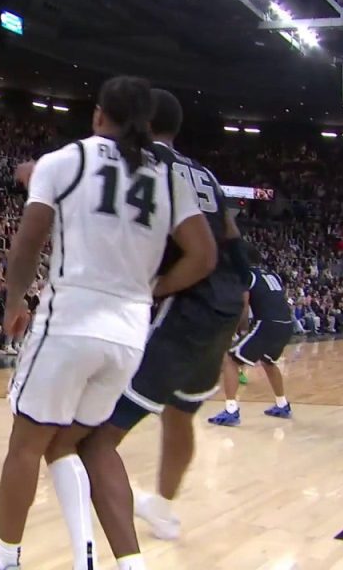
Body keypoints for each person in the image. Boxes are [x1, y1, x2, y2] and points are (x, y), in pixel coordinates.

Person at [0, 76, 217, 570]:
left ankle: (5, 558)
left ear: (98, 115)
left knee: (27, 443)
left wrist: (13, 299)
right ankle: (122, 564)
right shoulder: (167, 179)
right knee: (87, 443)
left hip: (70, 322)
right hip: (128, 336)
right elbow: (203, 256)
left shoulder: (67, 160)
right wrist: (153, 288)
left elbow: (30, 241)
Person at [77, 89, 250, 546]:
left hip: (183, 308)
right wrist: (243, 293)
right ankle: (164, 509)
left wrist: (150, 288)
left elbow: (195, 254)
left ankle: (101, 543)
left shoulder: (148, 163)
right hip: (222, 309)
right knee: (180, 414)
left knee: (96, 436)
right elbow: (232, 237)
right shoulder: (206, 174)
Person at [208, 243, 295, 426]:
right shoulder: (273, 275)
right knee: (268, 362)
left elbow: (244, 305)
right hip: (286, 324)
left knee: (231, 360)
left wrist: (241, 329)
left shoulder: (246, 276)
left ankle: (231, 411)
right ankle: (282, 404)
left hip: (267, 324)